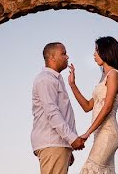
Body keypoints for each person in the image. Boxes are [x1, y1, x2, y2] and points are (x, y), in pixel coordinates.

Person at [68, 36, 118, 174]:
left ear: (105, 52)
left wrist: (87, 132)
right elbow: (87, 106)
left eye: (96, 50)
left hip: (108, 133)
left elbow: (107, 107)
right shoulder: (104, 78)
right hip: (100, 134)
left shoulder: (113, 75)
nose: (94, 54)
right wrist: (72, 85)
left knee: (90, 171)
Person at [32, 42, 86, 173]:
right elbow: (52, 113)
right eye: (63, 53)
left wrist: (68, 146)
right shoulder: (46, 79)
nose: (67, 57)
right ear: (52, 57)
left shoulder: (55, 79)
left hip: (58, 144)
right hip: (52, 143)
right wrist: (71, 139)